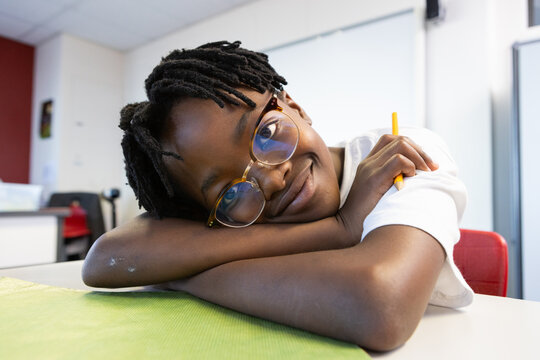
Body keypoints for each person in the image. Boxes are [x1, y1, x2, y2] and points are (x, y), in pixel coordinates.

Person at [82, 41, 472, 351]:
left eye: (265, 133)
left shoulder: (399, 154)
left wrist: (182, 276)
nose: (271, 180)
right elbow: (105, 260)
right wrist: (338, 229)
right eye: (230, 191)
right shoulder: (233, 218)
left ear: (295, 107)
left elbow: (378, 305)